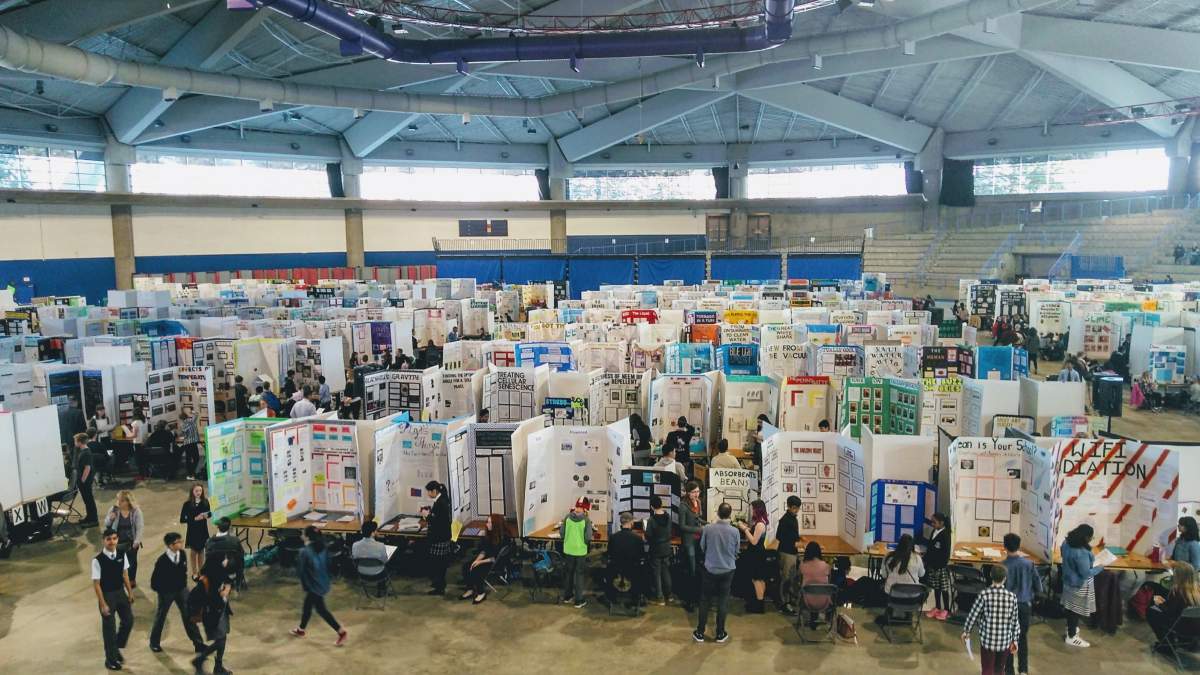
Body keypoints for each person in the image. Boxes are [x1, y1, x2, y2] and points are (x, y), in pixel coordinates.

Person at [290, 525, 349, 646]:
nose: (301, 535)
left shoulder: (304, 552)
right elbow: (329, 564)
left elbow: (301, 571)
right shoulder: (323, 547)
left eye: (303, 533)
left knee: (321, 610)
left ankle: (341, 632)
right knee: (308, 607)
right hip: (323, 582)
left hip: (313, 586)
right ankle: (301, 629)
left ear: (307, 536)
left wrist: (306, 586)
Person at [148, 532, 204, 654]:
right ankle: (154, 642)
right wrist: (162, 591)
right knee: (161, 616)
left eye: (181, 541)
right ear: (170, 545)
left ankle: (198, 643)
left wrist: (184, 587)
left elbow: (183, 572)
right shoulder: (162, 561)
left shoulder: (182, 554)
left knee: (189, 615)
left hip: (181, 590)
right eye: (177, 542)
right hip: (166, 593)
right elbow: (154, 581)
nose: (180, 544)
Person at [962, 565, 1021, 675]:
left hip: (988, 641)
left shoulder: (984, 594)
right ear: (1005, 578)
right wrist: (1015, 640)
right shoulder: (1012, 597)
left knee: (987, 669)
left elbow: (973, 615)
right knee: (1000, 669)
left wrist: (966, 631)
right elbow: (1015, 622)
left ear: (990, 576)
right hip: (1004, 642)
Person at [693, 502, 740, 644]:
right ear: (730, 514)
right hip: (728, 570)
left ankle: (700, 632)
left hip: (710, 568)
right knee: (723, 601)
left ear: (717, 513)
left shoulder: (708, 528)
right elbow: (736, 551)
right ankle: (720, 633)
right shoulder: (735, 531)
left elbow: (702, 547)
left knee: (705, 600)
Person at [93, 527, 134, 671]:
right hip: (107, 595)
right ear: (103, 540)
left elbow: (125, 575)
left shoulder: (122, 554)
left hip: (120, 593)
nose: (112, 542)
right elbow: (96, 584)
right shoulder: (98, 560)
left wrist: (130, 592)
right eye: (109, 539)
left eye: (114, 538)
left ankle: (115, 648)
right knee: (109, 630)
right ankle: (110, 660)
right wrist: (103, 603)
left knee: (128, 621)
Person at [1003, 533, 1042, 675]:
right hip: (1025, 605)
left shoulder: (1003, 566)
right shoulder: (1029, 564)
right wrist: (1037, 596)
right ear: (1019, 546)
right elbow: (1038, 584)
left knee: (1007, 639)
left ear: (1004, 546)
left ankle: (1009, 670)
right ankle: (1023, 670)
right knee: (1022, 638)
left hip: (1008, 607)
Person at [1061, 523, 1104, 647]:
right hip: (1078, 585)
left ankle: (1071, 628)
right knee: (1075, 610)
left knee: (1070, 608)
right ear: (1086, 538)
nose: (1091, 539)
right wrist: (1100, 567)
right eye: (1091, 537)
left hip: (1068, 581)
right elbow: (1086, 573)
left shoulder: (1066, 543)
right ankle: (1072, 636)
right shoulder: (1081, 553)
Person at [1148, 561, 1200, 650]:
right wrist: (1165, 603)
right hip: (1196, 630)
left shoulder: (1178, 591)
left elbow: (1169, 612)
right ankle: (1189, 643)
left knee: (1151, 611)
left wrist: (1159, 603)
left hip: (1182, 628)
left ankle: (1167, 645)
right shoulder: (1196, 590)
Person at [461, 514, 507, 605]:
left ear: (496, 525)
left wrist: (480, 562)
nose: (487, 524)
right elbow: (483, 551)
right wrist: (476, 560)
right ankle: (470, 589)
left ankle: (481, 593)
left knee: (476, 570)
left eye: (489, 523)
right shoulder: (489, 535)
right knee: (466, 566)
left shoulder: (502, 539)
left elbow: (494, 558)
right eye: (487, 522)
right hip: (486, 558)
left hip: (494, 562)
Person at [104, 490, 145, 588]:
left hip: (131, 542)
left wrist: (137, 541)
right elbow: (106, 524)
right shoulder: (114, 510)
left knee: (132, 562)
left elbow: (140, 527)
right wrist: (111, 518)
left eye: (122, 501)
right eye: (118, 500)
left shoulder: (136, 511)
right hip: (117, 542)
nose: (119, 502)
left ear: (128, 501)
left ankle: (131, 579)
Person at [193, 576, 233, 675]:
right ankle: (200, 660)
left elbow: (227, 579)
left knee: (222, 638)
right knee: (220, 640)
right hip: (213, 611)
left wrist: (227, 587)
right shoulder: (210, 571)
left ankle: (218, 667)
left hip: (220, 608)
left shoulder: (219, 566)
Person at [735, 499, 769, 613]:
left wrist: (744, 529)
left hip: (757, 553)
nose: (751, 511)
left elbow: (754, 541)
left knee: (757, 579)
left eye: (752, 509)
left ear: (757, 509)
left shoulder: (760, 524)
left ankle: (759, 605)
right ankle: (759, 602)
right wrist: (748, 528)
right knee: (760, 579)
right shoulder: (761, 522)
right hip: (758, 552)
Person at [606, 511, 645, 608]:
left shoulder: (613, 537)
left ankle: (612, 598)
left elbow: (609, 553)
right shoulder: (638, 539)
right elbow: (641, 555)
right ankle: (637, 598)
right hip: (632, 570)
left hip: (616, 570)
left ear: (621, 523)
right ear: (631, 523)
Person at [561, 497, 594, 609]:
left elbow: (562, 534)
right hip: (580, 551)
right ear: (585, 509)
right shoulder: (586, 520)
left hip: (568, 550)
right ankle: (578, 600)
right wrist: (583, 542)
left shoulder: (567, 517)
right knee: (579, 575)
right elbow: (588, 537)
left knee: (569, 573)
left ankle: (567, 596)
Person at [421, 480, 453, 596]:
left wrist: (427, 516)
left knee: (438, 564)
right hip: (444, 536)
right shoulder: (442, 499)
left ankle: (440, 587)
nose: (428, 494)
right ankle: (439, 583)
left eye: (429, 492)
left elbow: (438, 522)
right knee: (440, 563)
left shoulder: (440, 503)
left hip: (439, 537)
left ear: (434, 491)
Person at [679, 480, 705, 611]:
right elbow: (682, 526)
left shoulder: (699, 502)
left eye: (698, 491)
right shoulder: (683, 506)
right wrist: (699, 530)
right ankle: (689, 601)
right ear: (688, 493)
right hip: (689, 541)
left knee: (699, 570)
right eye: (694, 492)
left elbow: (697, 518)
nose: (696, 494)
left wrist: (706, 523)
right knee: (692, 570)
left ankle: (697, 598)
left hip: (699, 541)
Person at [922, 512, 952, 621]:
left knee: (944, 588)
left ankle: (946, 610)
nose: (932, 524)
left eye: (934, 522)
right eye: (932, 522)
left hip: (940, 567)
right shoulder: (934, 531)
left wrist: (939, 566)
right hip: (932, 566)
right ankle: (938, 607)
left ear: (941, 523)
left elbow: (946, 554)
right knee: (936, 588)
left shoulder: (945, 534)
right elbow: (931, 548)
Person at [776, 495, 802, 613]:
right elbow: (780, 537)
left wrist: (800, 540)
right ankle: (784, 604)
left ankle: (789, 600)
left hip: (792, 552)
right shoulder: (785, 520)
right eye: (794, 508)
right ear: (789, 507)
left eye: (797, 508)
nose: (796, 510)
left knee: (792, 578)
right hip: (786, 553)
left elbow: (794, 536)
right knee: (786, 579)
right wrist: (798, 544)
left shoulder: (793, 518)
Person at [645, 495, 673, 605]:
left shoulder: (651, 520)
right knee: (666, 571)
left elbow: (648, 535)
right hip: (666, 548)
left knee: (656, 574)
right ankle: (669, 595)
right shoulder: (668, 517)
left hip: (656, 549)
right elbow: (670, 531)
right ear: (661, 504)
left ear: (652, 507)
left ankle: (660, 597)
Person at [180, 482, 211, 574]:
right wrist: (194, 518)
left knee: (201, 551)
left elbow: (209, 513)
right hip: (192, 530)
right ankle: (194, 572)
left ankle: (201, 571)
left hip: (202, 530)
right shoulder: (187, 504)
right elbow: (182, 519)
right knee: (193, 552)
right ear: (192, 492)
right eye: (196, 491)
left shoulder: (205, 502)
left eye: (200, 490)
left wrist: (206, 515)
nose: (198, 492)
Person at [204, 517, 244, 589]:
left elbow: (207, 557)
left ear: (217, 527)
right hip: (231, 567)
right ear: (229, 528)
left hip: (214, 569)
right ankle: (238, 582)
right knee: (240, 559)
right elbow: (241, 555)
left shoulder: (209, 542)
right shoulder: (234, 540)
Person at [798, 541, 832, 626]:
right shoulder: (825, 566)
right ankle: (827, 620)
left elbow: (800, 581)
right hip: (825, 602)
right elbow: (828, 582)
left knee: (806, 589)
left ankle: (812, 619)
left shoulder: (802, 566)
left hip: (807, 602)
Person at [73, 432, 99, 526]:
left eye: (75, 441)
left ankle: (93, 519)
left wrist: (83, 480)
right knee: (87, 500)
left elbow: (87, 468)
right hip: (84, 480)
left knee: (89, 500)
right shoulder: (83, 451)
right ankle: (89, 517)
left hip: (85, 481)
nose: (75, 443)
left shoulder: (86, 453)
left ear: (80, 442)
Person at [178, 409, 200, 481]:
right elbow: (196, 413)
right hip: (194, 442)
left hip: (187, 443)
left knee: (188, 459)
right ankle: (192, 473)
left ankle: (190, 474)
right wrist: (192, 411)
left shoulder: (183, 425)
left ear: (181, 419)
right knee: (196, 458)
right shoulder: (192, 420)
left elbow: (183, 434)